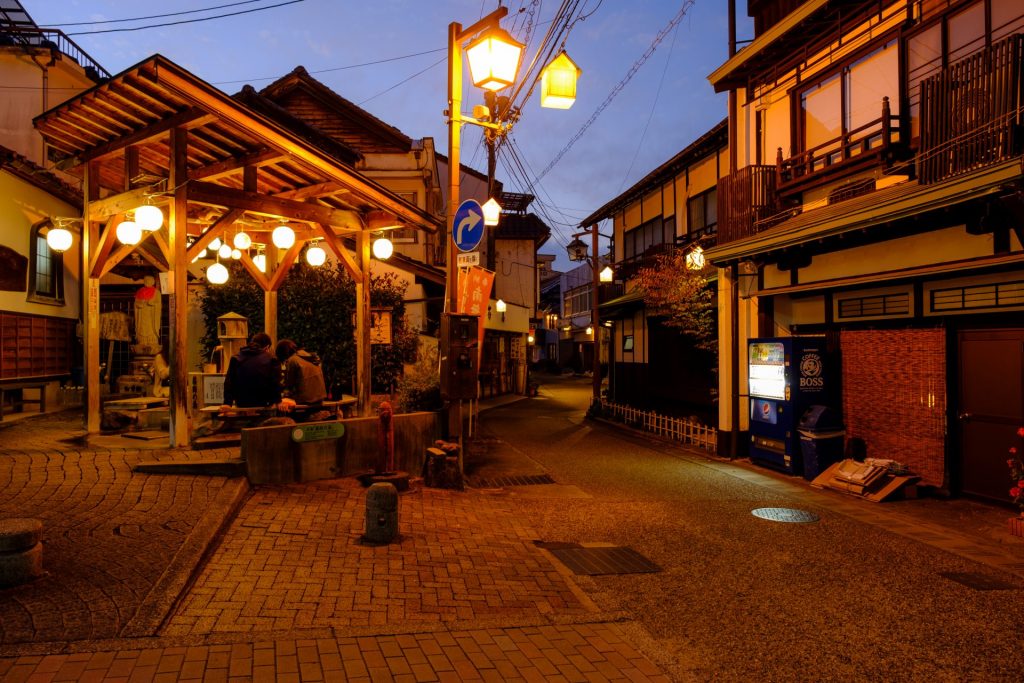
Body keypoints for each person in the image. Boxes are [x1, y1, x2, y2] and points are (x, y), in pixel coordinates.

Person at [222, 332, 282, 408]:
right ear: (267, 347)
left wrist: (227, 403)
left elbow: (229, 382)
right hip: (264, 404)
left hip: (241, 403)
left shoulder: (236, 358)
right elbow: (275, 383)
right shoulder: (272, 360)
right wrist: (278, 401)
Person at [275, 339, 327, 407]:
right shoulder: (310, 356)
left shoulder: (293, 360)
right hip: (320, 397)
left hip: (306, 400)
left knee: (280, 401)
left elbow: (289, 385)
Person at [133, 275, 161, 352]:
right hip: (142, 314)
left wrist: (153, 303)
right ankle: (142, 341)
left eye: (149, 281)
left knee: (151, 328)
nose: (147, 282)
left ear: (153, 282)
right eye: (145, 280)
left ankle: (152, 340)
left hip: (151, 315)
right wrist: (139, 304)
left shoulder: (156, 292)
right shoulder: (140, 291)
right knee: (142, 328)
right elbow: (136, 303)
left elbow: (158, 303)